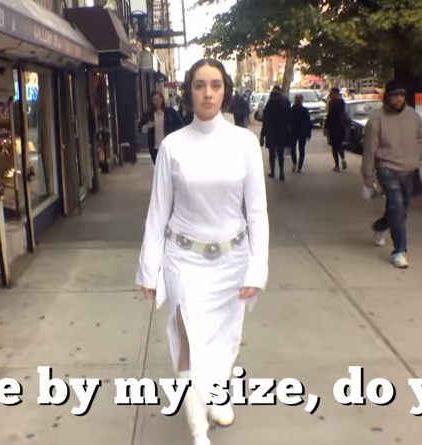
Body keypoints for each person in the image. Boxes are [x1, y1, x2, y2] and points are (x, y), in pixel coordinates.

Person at [136, 58, 269, 445]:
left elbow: (256, 211)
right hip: (184, 261)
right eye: (199, 85)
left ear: (225, 90)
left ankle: (219, 393)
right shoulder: (173, 146)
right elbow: (158, 211)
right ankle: (198, 432)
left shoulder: (244, 143)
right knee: (189, 346)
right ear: (188, 91)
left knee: (226, 340)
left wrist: (257, 268)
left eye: (215, 85)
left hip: (233, 260)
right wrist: (149, 268)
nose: (208, 93)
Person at [361, 79, 422, 269]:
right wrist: (368, 175)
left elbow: (420, 138)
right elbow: (369, 150)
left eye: (401, 95)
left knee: (401, 210)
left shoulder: (413, 116)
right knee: (396, 206)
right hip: (386, 168)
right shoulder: (376, 120)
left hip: (408, 169)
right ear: (387, 97)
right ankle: (399, 251)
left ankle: (380, 226)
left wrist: (418, 156)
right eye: (395, 95)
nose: (399, 99)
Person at [139, 91, 185, 165]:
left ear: (162, 99)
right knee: (158, 166)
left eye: (159, 99)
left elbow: (180, 125)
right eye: (155, 99)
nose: (157, 101)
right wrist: (147, 126)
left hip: (169, 146)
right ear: (152, 101)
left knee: (169, 166)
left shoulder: (170, 112)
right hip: (155, 146)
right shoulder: (148, 114)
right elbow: (141, 129)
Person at [259, 86, 293, 181]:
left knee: (272, 154)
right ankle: (282, 173)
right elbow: (290, 118)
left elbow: (265, 121)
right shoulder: (285, 102)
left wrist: (262, 136)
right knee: (280, 153)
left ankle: (273, 172)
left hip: (271, 132)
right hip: (282, 131)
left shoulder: (270, 103)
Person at [324, 87, 348, 172]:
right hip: (338, 126)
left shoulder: (334, 102)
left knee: (335, 146)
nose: (330, 95)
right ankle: (342, 160)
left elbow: (330, 115)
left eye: (331, 93)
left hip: (336, 127)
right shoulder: (339, 102)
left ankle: (338, 164)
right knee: (338, 145)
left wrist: (326, 126)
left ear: (336, 93)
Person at [289, 94, 313, 173]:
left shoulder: (292, 110)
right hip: (301, 132)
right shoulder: (304, 110)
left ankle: (296, 164)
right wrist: (309, 133)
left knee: (294, 149)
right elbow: (308, 123)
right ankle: (298, 166)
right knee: (300, 149)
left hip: (294, 132)